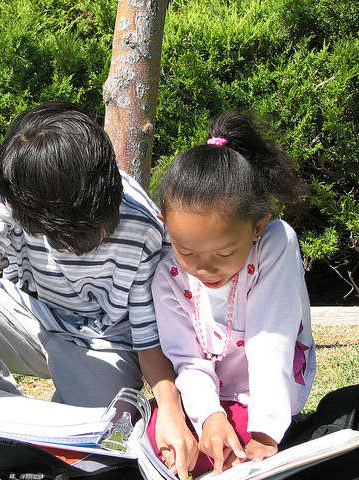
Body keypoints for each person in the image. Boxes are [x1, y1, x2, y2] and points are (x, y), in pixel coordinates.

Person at [0, 102, 199, 480]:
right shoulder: (10, 193)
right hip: (26, 313)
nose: (101, 235)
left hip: (104, 342)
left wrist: (170, 408)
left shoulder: (143, 228)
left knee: (96, 438)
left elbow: (148, 336)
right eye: (72, 234)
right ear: (23, 209)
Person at [150, 110, 316, 475]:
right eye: (187, 251)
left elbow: (270, 340)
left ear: (258, 227)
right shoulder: (168, 274)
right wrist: (209, 415)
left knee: (237, 451)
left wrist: (266, 431)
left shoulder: (274, 244)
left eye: (224, 253)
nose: (204, 268)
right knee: (164, 438)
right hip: (208, 397)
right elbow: (188, 360)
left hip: (261, 398)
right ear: (167, 228)